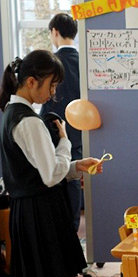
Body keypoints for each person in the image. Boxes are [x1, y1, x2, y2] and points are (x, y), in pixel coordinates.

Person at [0, 50, 103, 277]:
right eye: (52, 85)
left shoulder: (10, 113)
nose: (53, 93)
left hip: (26, 209)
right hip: (39, 210)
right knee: (46, 276)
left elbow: (39, 169)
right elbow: (50, 175)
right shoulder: (29, 121)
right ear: (31, 82)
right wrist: (65, 140)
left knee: (38, 276)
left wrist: (77, 166)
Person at [40, 13, 83, 231]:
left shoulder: (52, 64)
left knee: (58, 177)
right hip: (83, 131)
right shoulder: (84, 63)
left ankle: (62, 229)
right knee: (77, 179)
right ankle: (76, 228)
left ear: (55, 32)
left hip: (54, 130)